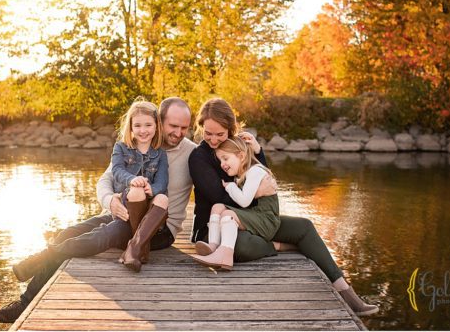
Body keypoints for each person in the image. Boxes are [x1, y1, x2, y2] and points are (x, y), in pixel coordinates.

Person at [0, 98, 195, 324]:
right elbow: (106, 179)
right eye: (174, 126)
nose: (179, 133)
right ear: (160, 121)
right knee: (67, 233)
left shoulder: (193, 154)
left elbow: (221, 163)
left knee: (99, 236)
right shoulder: (135, 144)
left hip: (159, 228)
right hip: (122, 212)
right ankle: (25, 300)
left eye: (185, 127)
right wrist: (109, 201)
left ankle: (33, 280)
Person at [189, 97, 379, 317]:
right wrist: (257, 193)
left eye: (220, 134)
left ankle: (349, 295)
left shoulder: (239, 147)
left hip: (252, 217)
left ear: (231, 129)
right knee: (238, 244)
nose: (213, 139)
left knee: (304, 227)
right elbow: (219, 196)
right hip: (215, 228)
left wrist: (258, 151)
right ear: (201, 127)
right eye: (208, 133)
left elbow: (263, 179)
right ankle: (282, 246)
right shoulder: (198, 157)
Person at [190, 135, 281, 270]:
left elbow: (244, 201)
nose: (222, 164)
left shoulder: (255, 171)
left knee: (228, 214)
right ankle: (213, 246)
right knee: (217, 207)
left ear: (241, 156)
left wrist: (230, 187)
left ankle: (225, 255)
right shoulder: (241, 175)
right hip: (255, 215)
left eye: (225, 158)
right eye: (220, 160)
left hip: (267, 220)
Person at [109, 98, 170, 271]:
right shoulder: (121, 147)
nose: (143, 130)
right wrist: (131, 179)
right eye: (137, 126)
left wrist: (154, 189)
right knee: (136, 191)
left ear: (156, 126)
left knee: (163, 198)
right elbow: (117, 171)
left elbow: (163, 181)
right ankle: (140, 250)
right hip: (129, 204)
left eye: (148, 125)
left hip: (150, 205)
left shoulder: (160, 154)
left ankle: (133, 248)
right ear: (130, 127)